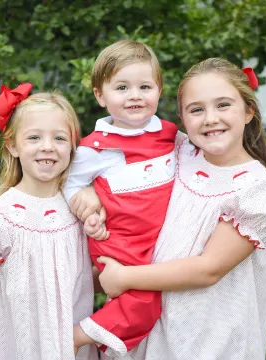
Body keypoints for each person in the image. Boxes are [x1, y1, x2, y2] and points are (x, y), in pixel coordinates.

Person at [85, 58, 266, 359]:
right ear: (182, 119)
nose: (210, 118)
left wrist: (125, 277)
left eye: (223, 105)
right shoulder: (177, 153)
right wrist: (88, 192)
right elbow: (115, 179)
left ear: (248, 111)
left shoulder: (257, 191)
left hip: (206, 339)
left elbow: (208, 270)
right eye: (196, 109)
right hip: (146, 328)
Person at [0, 84, 98, 360]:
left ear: (73, 145)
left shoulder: (80, 209)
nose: (47, 147)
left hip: (70, 347)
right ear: (13, 145)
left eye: (59, 138)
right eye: (34, 137)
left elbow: (85, 277)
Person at [64, 40, 179, 356]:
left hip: (153, 240)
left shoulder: (169, 132)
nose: (135, 96)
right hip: (118, 239)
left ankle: (109, 345)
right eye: (122, 88)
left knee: (149, 302)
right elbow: (68, 186)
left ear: (159, 90)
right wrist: (85, 202)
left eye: (145, 86)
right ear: (100, 95)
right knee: (143, 301)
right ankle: (76, 337)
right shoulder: (95, 147)